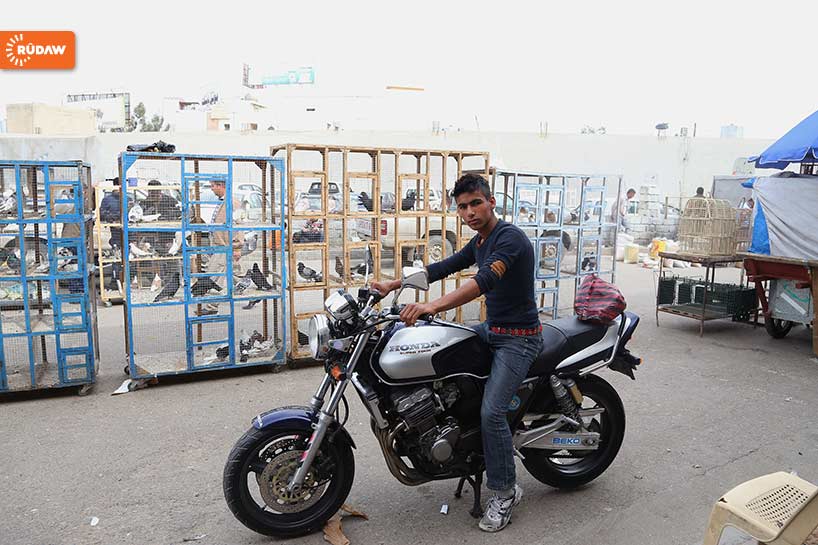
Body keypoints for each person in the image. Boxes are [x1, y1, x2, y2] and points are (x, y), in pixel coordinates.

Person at [372, 173, 542, 533]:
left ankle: (505, 492)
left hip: (519, 339)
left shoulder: (509, 238)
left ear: (491, 202)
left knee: (492, 413)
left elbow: (483, 282)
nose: (469, 212)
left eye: (475, 203)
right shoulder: (480, 241)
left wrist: (431, 306)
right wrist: (392, 284)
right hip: (493, 330)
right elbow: (441, 267)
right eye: (462, 207)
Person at [197, 179, 244, 315]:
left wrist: (237, 247)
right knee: (233, 274)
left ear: (221, 186)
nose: (211, 189)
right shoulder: (224, 202)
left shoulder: (233, 203)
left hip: (225, 246)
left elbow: (239, 225)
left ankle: (212, 306)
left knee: (214, 275)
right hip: (221, 245)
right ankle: (249, 289)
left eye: (213, 186)